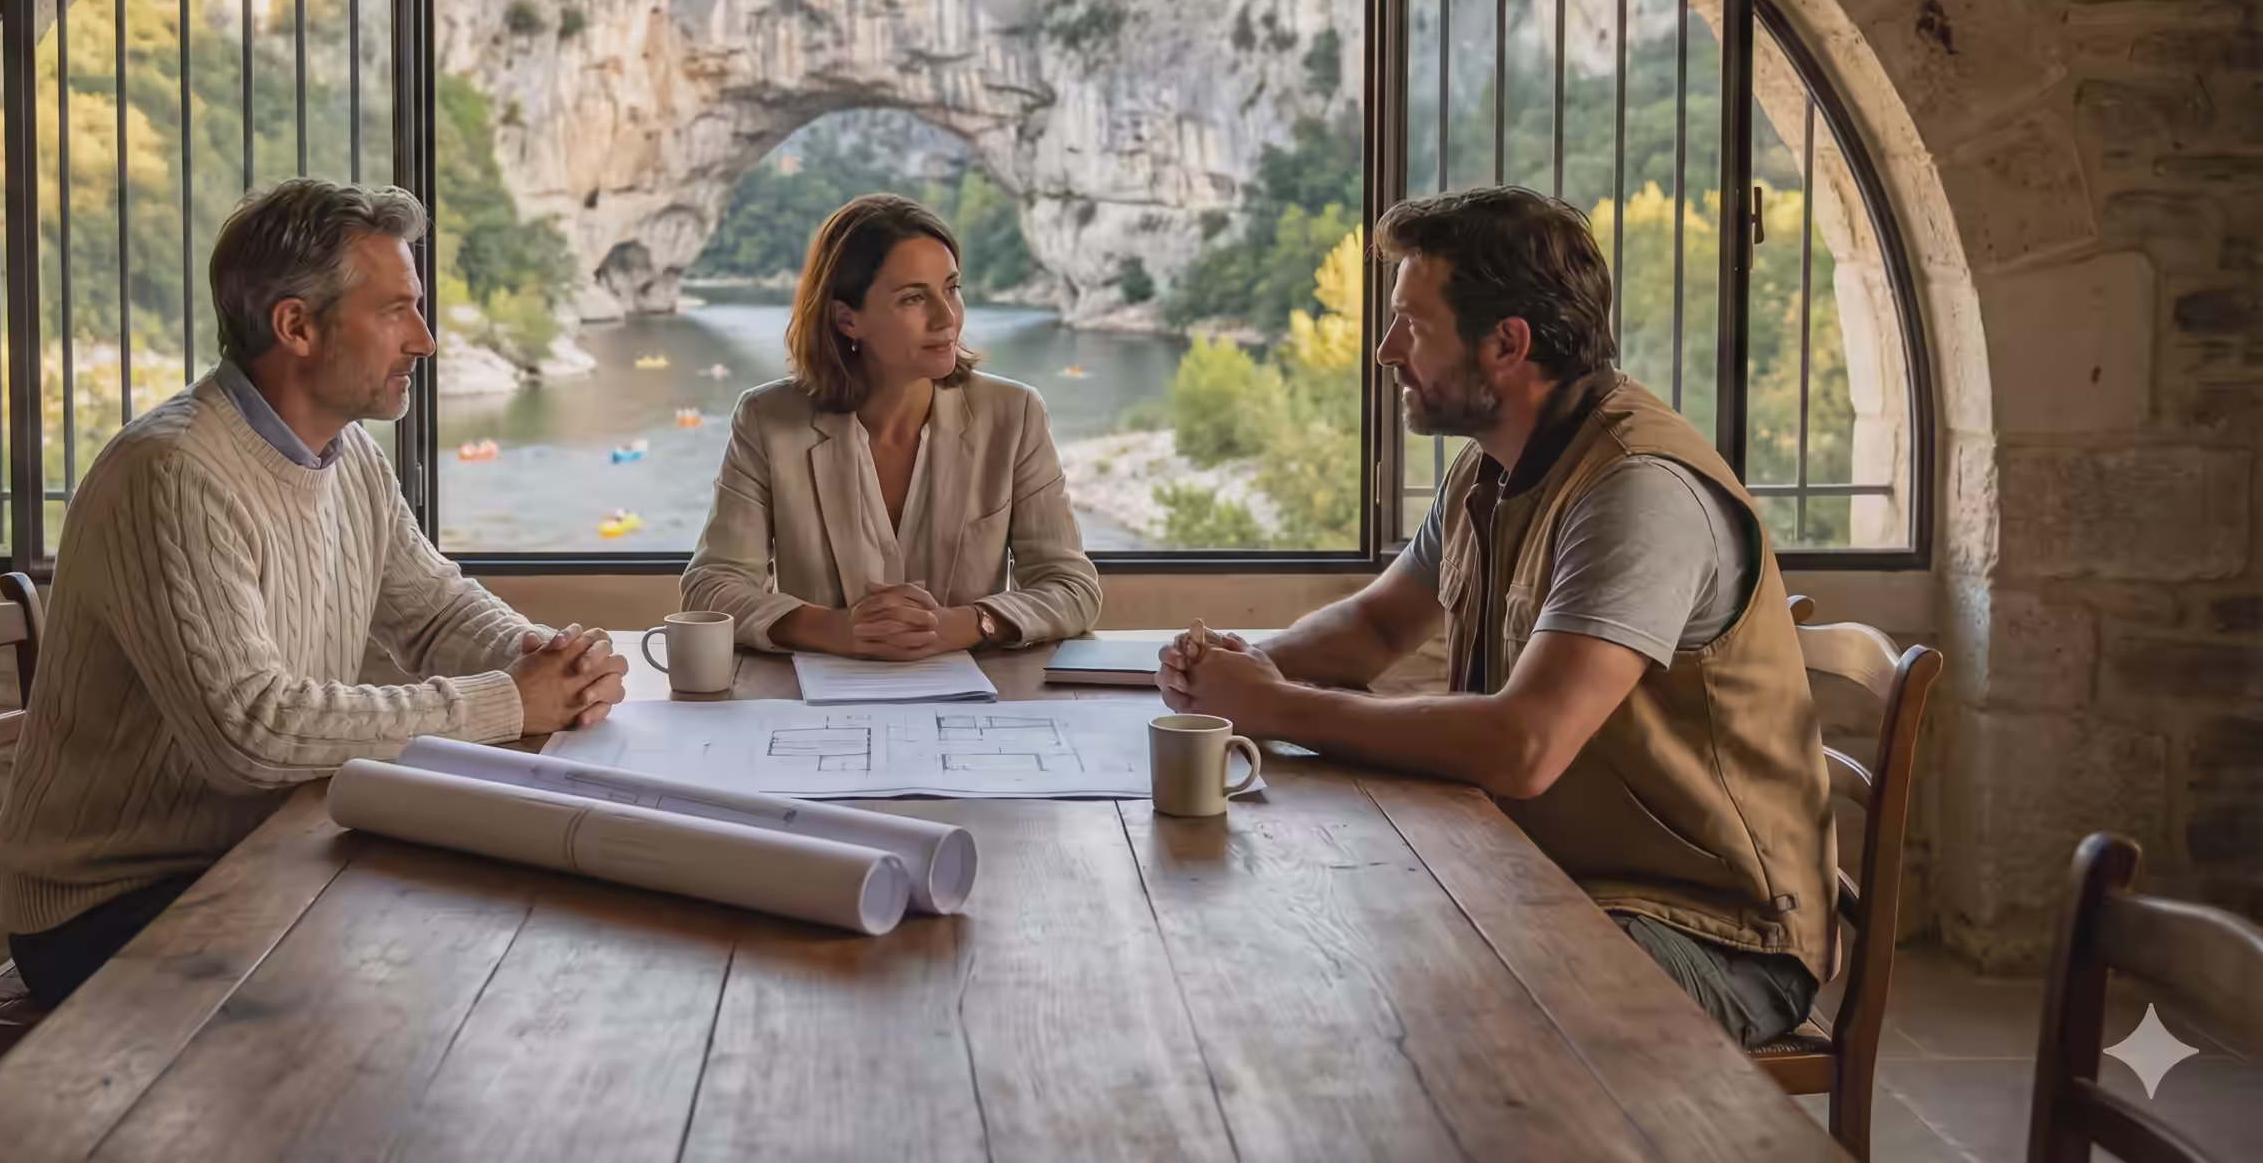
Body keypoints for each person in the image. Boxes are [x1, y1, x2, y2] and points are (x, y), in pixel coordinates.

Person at [1158, 186, 1836, 1051]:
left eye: (1413, 323)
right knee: (1322, 945)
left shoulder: (1638, 491)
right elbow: (1374, 629)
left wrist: (1275, 707)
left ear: (1507, 343)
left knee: (1432, 1009)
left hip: (1709, 932)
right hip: (1555, 873)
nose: (1384, 349)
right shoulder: (1489, 468)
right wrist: (1243, 667)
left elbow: (1526, 744)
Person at [0, 179, 626, 1006]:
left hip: (264, 849)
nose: (426, 341)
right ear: (296, 326)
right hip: (111, 905)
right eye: (396, 311)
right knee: (437, 970)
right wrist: (509, 703)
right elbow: (252, 731)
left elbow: (433, 607)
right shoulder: (173, 473)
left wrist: (544, 659)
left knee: (488, 937)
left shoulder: (349, 454)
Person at [683, 193, 1101, 659]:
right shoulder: (766, 419)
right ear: (847, 319)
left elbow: (1072, 587)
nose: (947, 318)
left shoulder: (1015, 413)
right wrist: (836, 630)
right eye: (913, 298)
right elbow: (709, 589)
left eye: (952, 288)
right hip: (815, 706)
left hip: (979, 705)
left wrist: (968, 623)